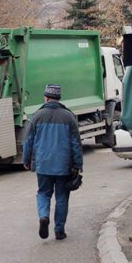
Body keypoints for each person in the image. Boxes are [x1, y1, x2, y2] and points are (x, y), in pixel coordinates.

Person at [23, 84, 83, 240]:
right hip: (64, 165)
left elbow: (28, 141)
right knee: (62, 197)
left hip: (43, 164)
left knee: (43, 193)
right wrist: (78, 164)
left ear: (46, 97)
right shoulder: (69, 117)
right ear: (59, 98)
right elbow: (76, 143)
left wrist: (26, 160)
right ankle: (59, 230)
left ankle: (44, 216)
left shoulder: (37, 116)